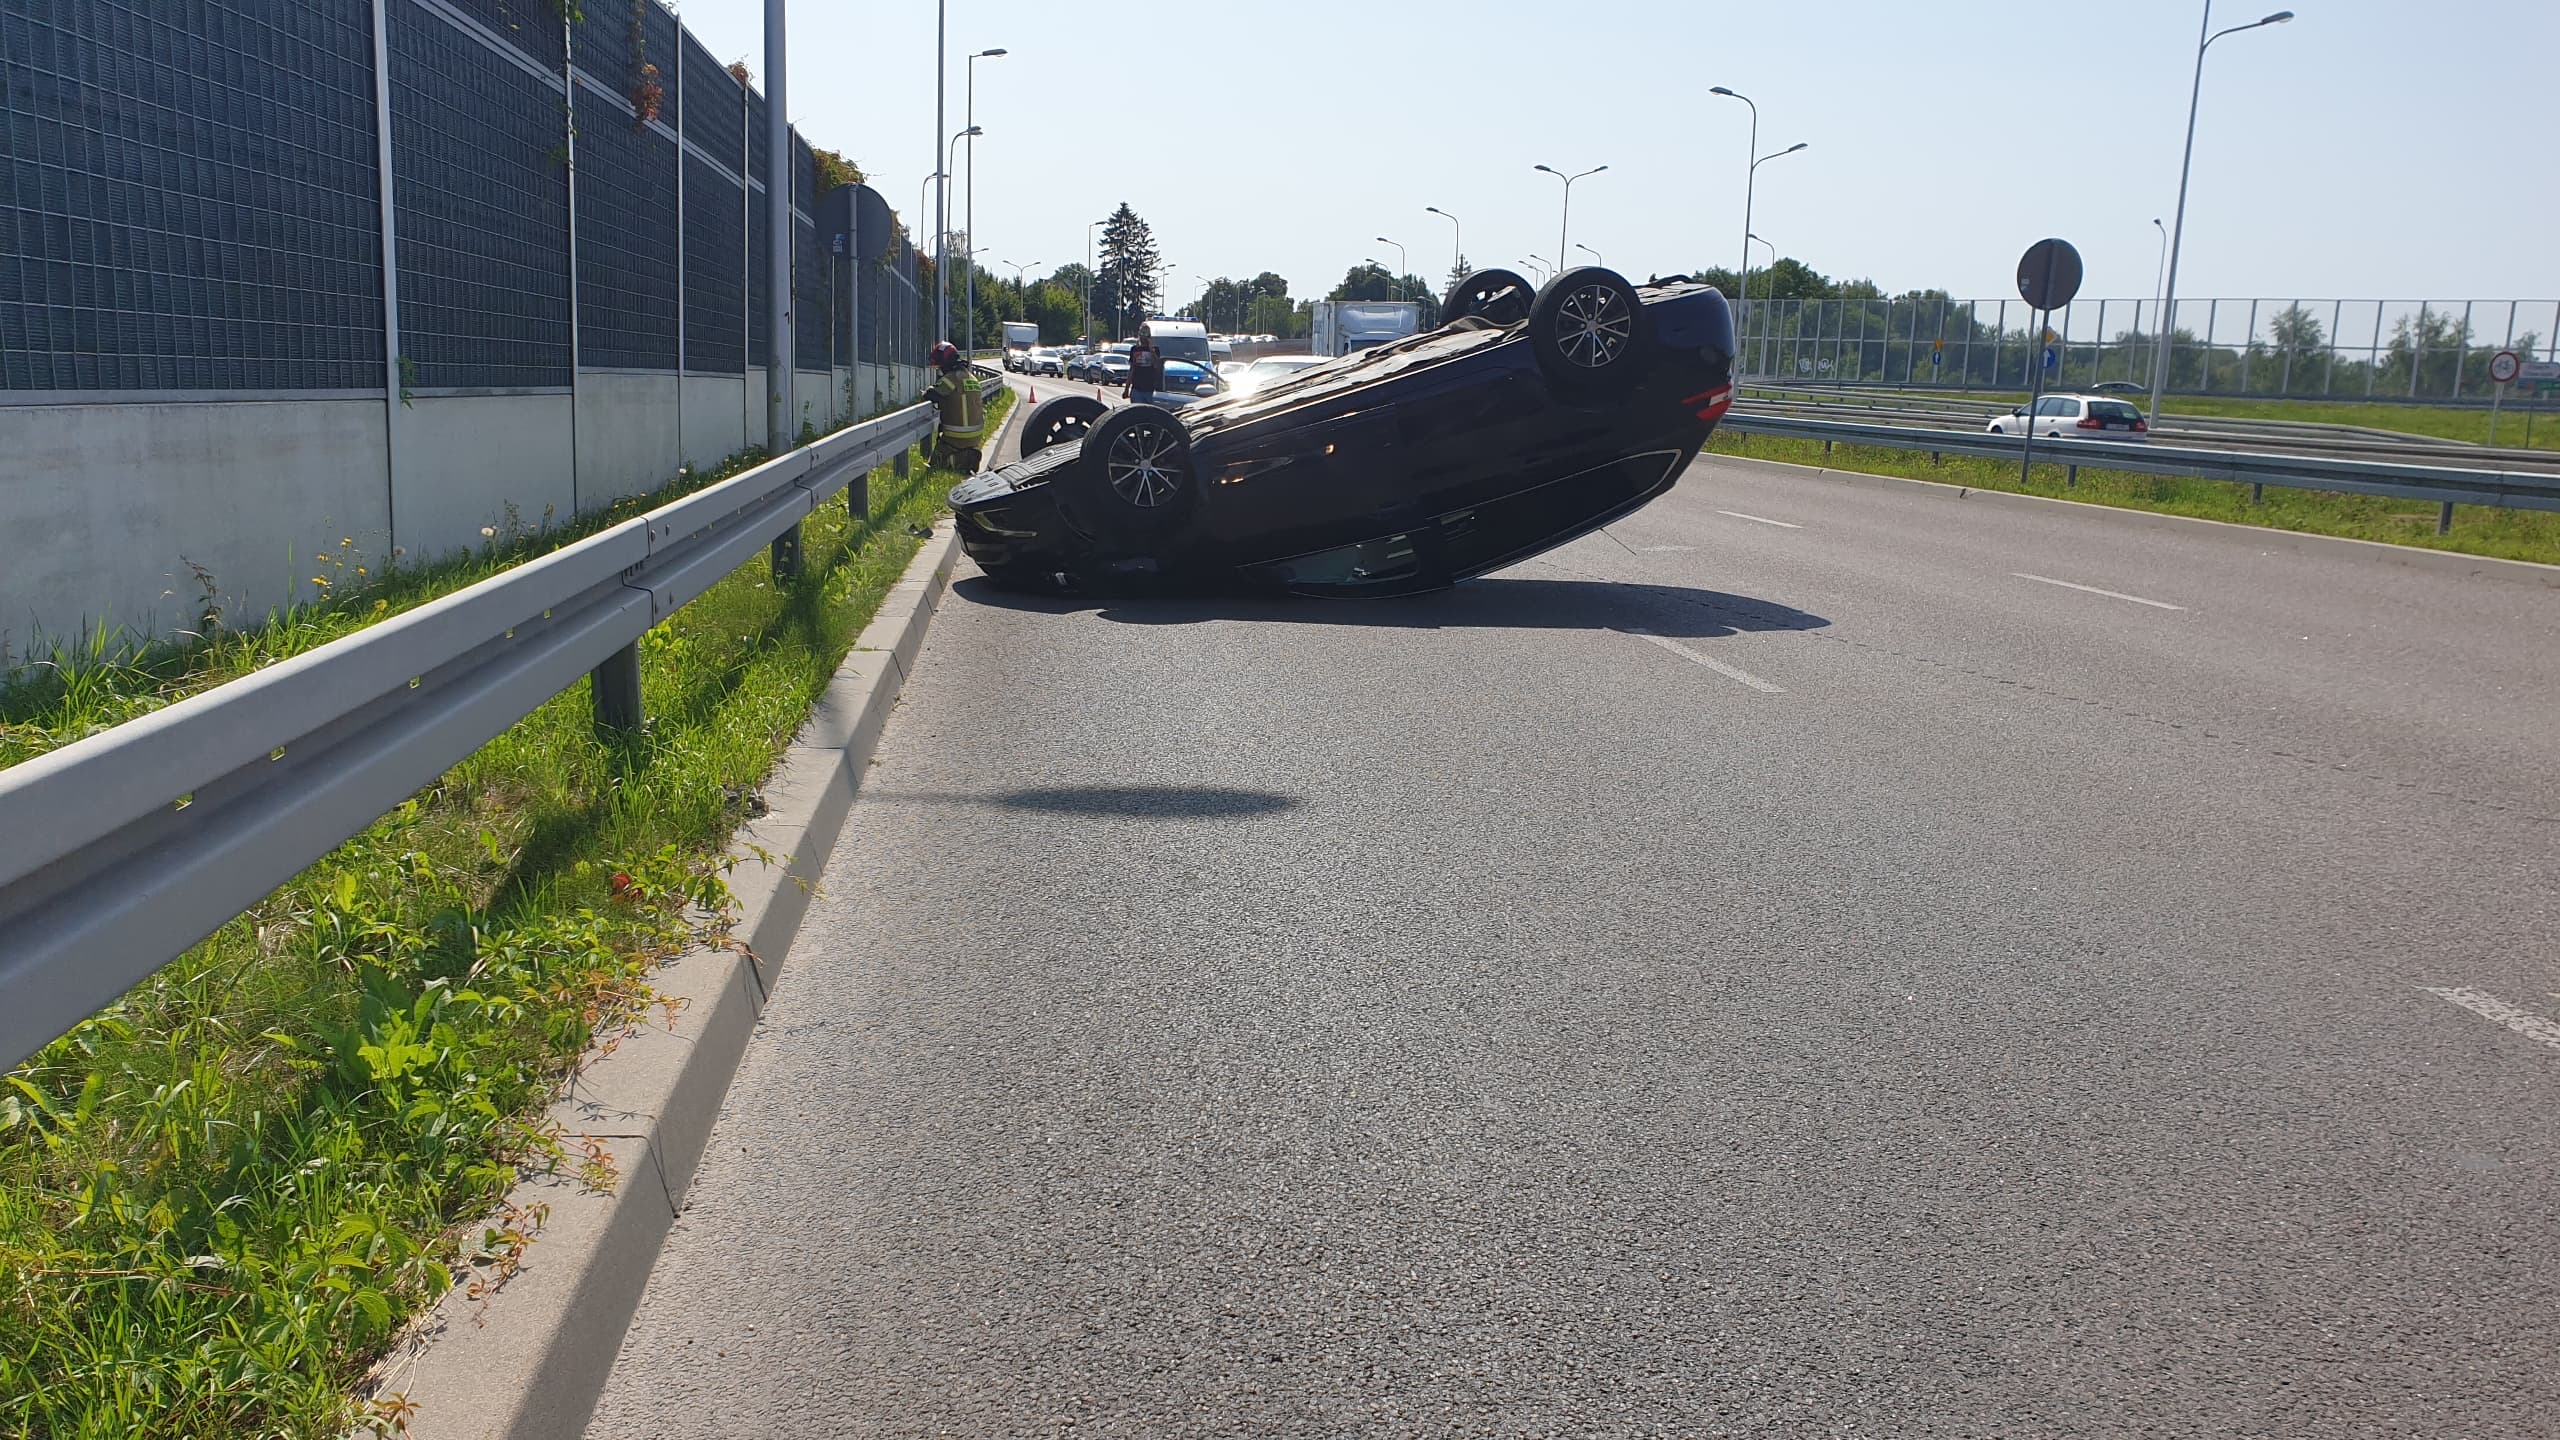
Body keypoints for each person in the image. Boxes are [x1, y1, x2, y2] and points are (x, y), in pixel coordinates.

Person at [923, 340, 985, 471]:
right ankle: (966, 459)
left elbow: (932, 395)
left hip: (956, 436)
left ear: (946, 363)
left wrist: (927, 390)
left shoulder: (952, 378)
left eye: (939, 367)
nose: (940, 370)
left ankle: (954, 462)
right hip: (976, 436)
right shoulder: (972, 378)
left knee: (934, 466)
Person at [1127, 325, 1164, 404]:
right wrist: (1127, 388)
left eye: (1146, 333)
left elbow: (1157, 365)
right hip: (1136, 388)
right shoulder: (1135, 349)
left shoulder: (1155, 350)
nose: (1143, 336)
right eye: (1142, 333)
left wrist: (1151, 351)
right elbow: (1131, 369)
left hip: (1150, 389)